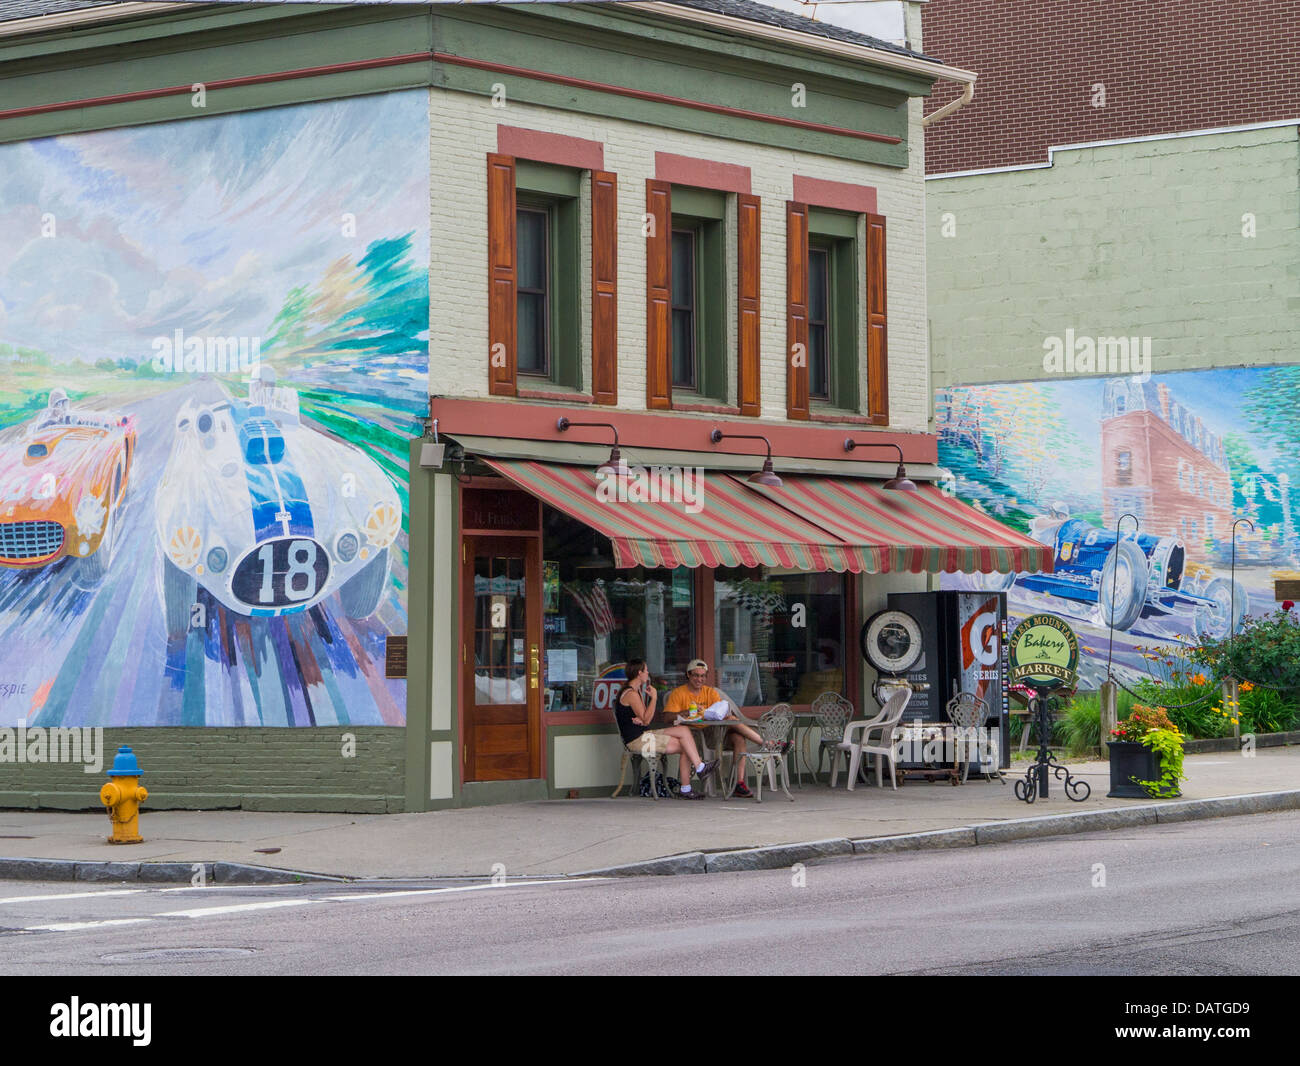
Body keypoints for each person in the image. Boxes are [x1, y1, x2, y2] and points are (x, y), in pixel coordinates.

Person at [663, 659, 766, 798]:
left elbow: (720, 712)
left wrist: (726, 716)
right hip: (692, 732)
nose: (699, 679)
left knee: (738, 737)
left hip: (713, 730)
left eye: (702, 676)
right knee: (730, 724)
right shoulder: (678, 693)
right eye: (696, 675)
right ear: (688, 675)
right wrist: (686, 712)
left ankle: (738, 784)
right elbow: (667, 718)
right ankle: (766, 743)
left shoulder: (711, 692)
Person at [615, 659, 716, 800]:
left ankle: (698, 770)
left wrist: (642, 718)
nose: (648, 673)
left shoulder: (635, 691)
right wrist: (654, 699)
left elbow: (643, 718)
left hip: (644, 734)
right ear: (639, 673)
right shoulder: (631, 694)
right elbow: (646, 719)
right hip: (637, 740)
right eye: (646, 670)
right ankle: (690, 782)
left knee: (683, 731)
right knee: (686, 745)